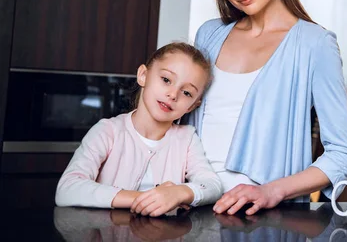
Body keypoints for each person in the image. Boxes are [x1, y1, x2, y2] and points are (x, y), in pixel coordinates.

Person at [187, 0, 347, 216]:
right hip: (193, 206)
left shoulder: (314, 45)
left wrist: (271, 191)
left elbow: (343, 153)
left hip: (262, 218)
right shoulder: (209, 35)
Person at [55, 43, 223, 216]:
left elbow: (212, 186)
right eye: (166, 80)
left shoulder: (187, 139)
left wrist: (179, 193)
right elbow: (67, 188)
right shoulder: (108, 131)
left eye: (186, 93)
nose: (173, 94)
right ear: (143, 75)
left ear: (192, 106)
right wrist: (145, 198)